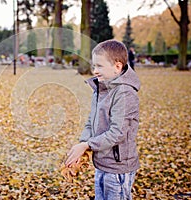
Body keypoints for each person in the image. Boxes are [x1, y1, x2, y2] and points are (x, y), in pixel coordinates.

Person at [65, 39, 140, 200]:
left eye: (99, 66)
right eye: (94, 66)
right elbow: (91, 121)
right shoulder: (101, 88)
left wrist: (88, 144)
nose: (95, 71)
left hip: (118, 168)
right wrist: (83, 146)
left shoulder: (125, 93)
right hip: (101, 164)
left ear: (117, 67)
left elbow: (117, 132)